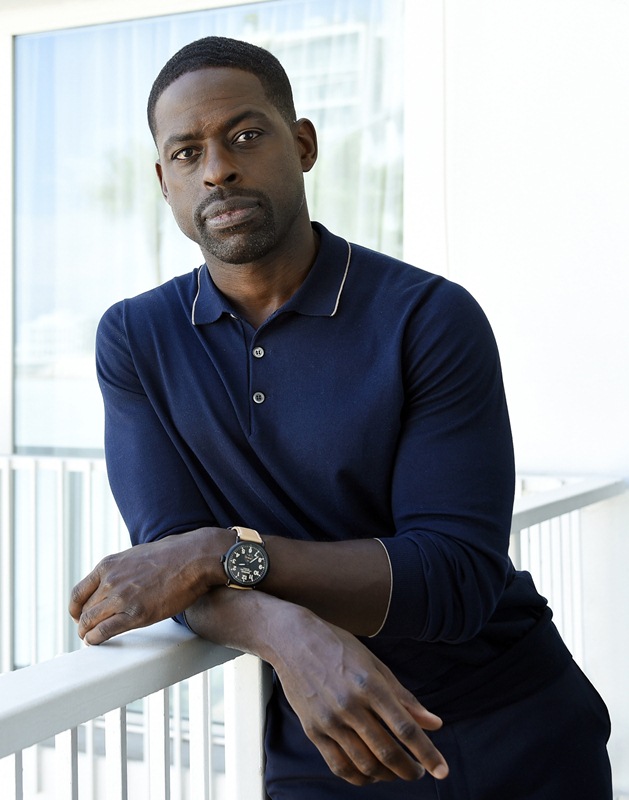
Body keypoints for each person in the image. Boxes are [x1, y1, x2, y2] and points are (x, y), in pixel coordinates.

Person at [69, 36, 612, 799]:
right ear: (165, 182)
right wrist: (284, 633)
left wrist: (220, 553)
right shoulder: (135, 338)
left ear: (302, 145)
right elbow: (170, 561)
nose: (218, 168)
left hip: (507, 723)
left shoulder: (427, 316)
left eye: (246, 136)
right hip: (323, 732)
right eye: (187, 152)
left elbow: (453, 576)